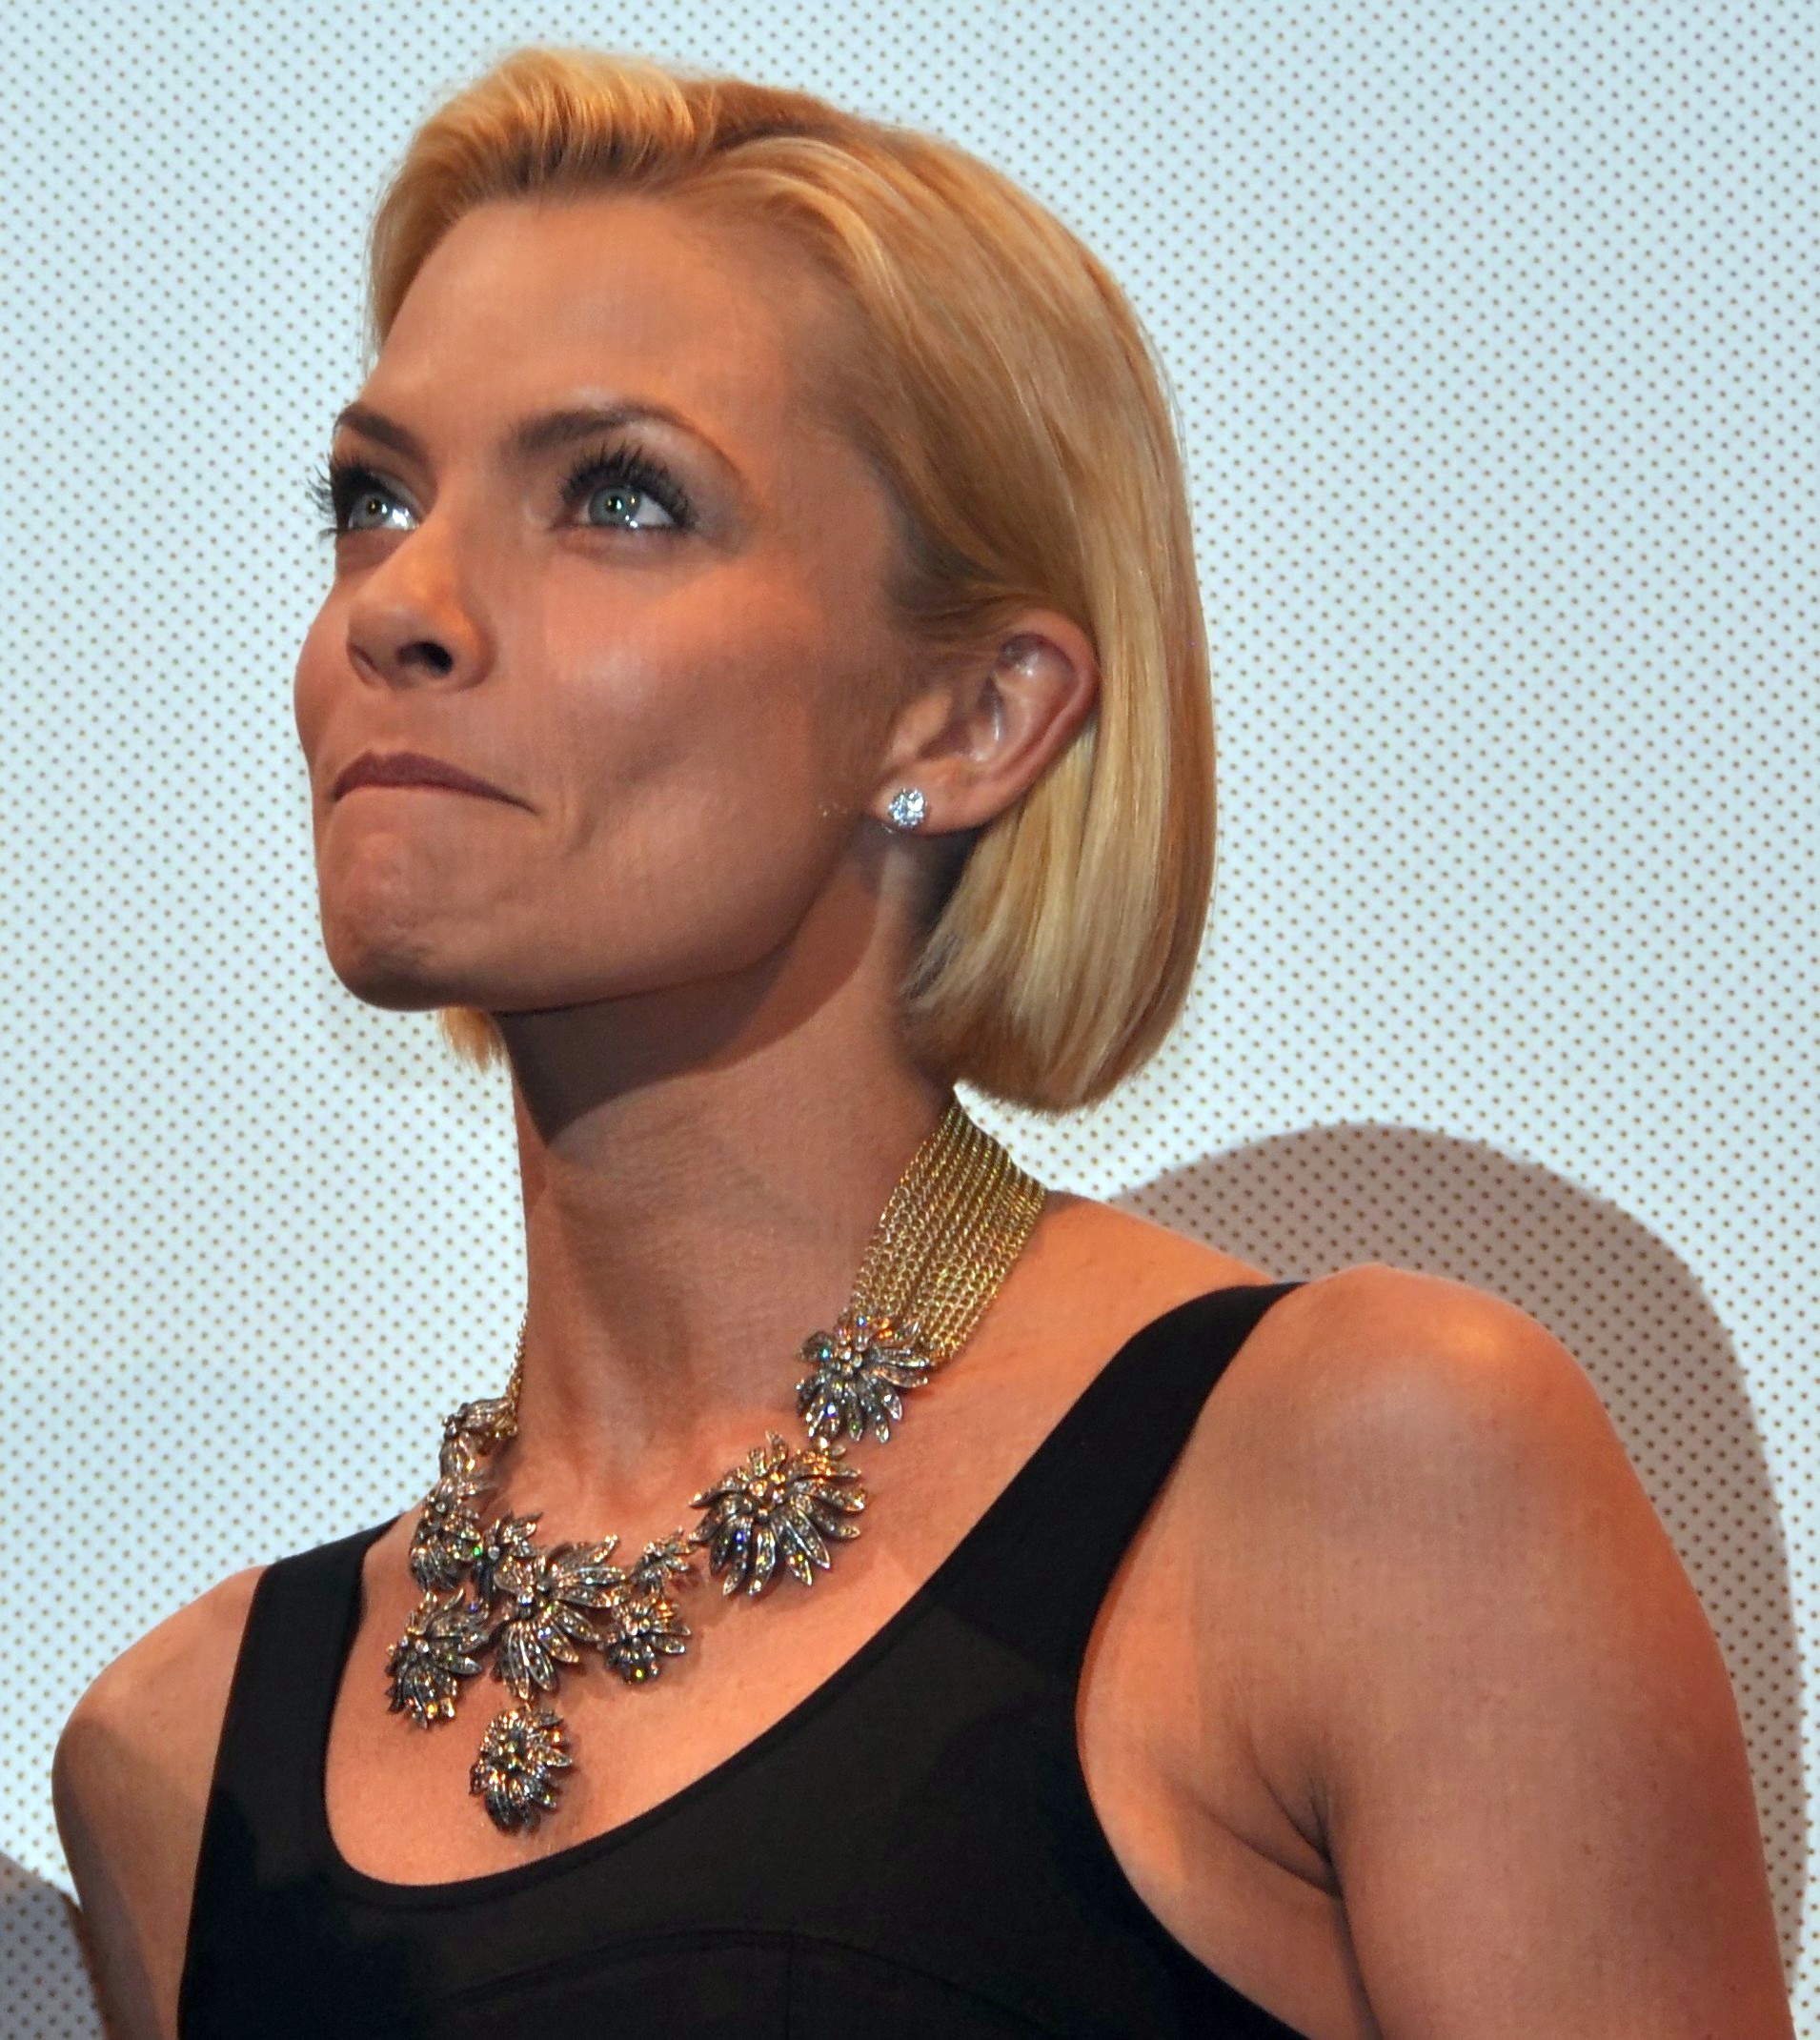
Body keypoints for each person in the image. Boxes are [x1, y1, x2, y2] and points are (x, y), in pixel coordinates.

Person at [50, 44, 1790, 2040]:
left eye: (618, 498)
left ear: (971, 718)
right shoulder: (177, 1765)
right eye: (372, 498)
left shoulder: (1365, 1483)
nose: (401, 607)